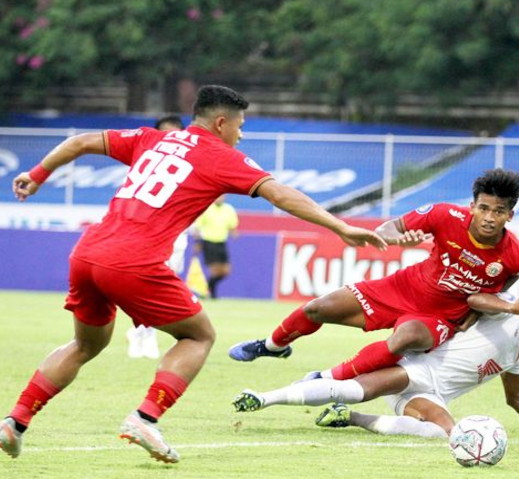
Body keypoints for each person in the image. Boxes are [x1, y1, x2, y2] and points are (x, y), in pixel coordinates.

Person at [0, 85, 386, 463]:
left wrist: (36, 174)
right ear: (221, 123)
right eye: (240, 126)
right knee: (199, 335)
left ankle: (15, 422)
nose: (241, 134)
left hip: (87, 253)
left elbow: (82, 141)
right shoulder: (220, 156)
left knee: (85, 345)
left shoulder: (150, 139)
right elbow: (281, 195)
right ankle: (145, 418)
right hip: (134, 261)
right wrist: (340, 227)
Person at [228, 169, 519, 383]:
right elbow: (387, 229)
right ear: (472, 207)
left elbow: (498, 289)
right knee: (317, 308)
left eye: (499, 211)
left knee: (406, 337)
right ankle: (272, 346)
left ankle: (324, 379)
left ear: (510, 215)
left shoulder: (517, 254)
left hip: (441, 315)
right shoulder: (443, 215)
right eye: (484, 208)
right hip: (402, 288)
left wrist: (473, 314)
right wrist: (401, 239)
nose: (489, 218)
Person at [232, 283, 519, 437]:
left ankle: (351, 419)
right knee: (352, 389)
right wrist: (511, 305)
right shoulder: (507, 309)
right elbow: (474, 300)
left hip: (432, 398)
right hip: (413, 368)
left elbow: (517, 399)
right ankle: (263, 397)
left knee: (448, 434)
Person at [126, 114, 187, 360]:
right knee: (146, 282)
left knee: (167, 281)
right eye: (164, 133)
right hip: (147, 231)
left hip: (178, 231)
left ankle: (142, 330)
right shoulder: (147, 161)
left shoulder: (192, 161)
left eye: (175, 132)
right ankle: (144, 332)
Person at [193, 194, 238, 298]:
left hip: (221, 242)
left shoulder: (229, 209)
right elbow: (198, 227)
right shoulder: (207, 208)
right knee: (214, 270)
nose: (220, 198)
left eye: (222, 196)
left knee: (226, 271)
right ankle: (212, 294)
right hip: (209, 242)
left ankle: (206, 288)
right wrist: (197, 242)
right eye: (218, 196)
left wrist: (234, 233)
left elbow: (232, 226)